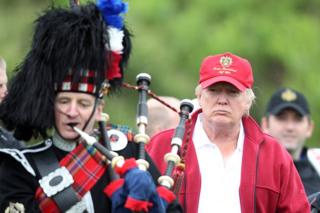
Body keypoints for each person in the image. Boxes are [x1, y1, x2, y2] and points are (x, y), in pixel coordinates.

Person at [0, 1, 181, 212]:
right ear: (51, 105)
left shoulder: (127, 148)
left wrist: (152, 204)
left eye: (83, 103)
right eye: (64, 101)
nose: (72, 111)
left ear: (99, 109)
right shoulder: (22, 167)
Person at [147, 52, 310, 212]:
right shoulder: (164, 146)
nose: (222, 100)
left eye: (232, 92)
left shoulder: (274, 154)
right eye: (214, 90)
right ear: (200, 96)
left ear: (248, 101)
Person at [261, 87, 320, 196]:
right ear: (265, 125)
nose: (290, 127)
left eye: (297, 119)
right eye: (282, 118)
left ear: (310, 128)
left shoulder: (317, 167)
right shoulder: (250, 168)